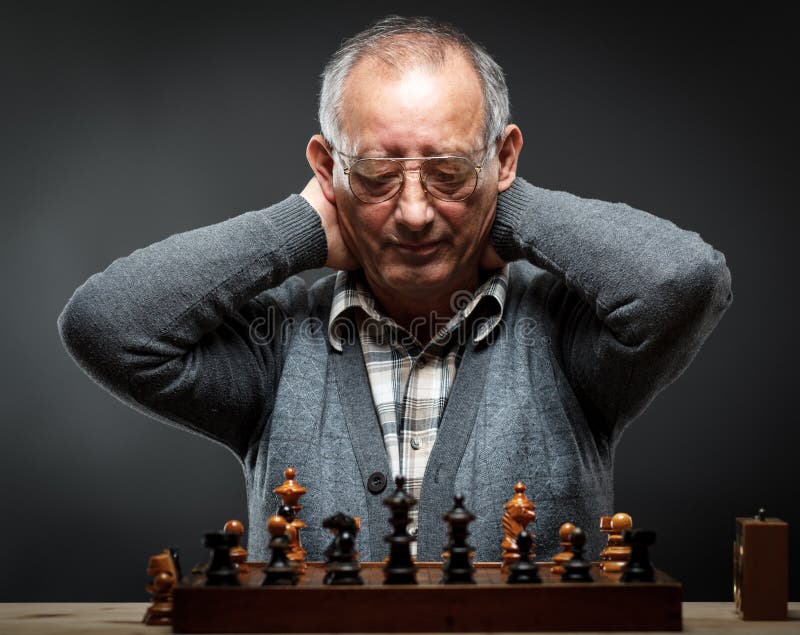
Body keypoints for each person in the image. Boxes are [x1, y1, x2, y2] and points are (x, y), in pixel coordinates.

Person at [57, 15, 733, 562]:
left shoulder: (567, 339)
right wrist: (301, 227)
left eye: (447, 170)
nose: (413, 212)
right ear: (326, 167)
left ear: (504, 157)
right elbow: (107, 325)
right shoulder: (275, 350)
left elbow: (685, 281)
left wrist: (512, 212)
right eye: (378, 175)